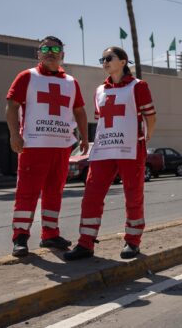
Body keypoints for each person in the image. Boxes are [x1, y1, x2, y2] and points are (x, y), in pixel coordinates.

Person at [64, 47, 156, 261]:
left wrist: (147, 136)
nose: (104, 62)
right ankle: (85, 243)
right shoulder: (99, 91)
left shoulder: (138, 86)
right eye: (102, 59)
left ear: (123, 62)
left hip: (131, 148)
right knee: (91, 195)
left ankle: (132, 242)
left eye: (109, 58)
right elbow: (102, 119)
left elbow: (151, 117)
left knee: (133, 196)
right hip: (104, 149)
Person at [5, 36, 88, 257]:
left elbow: (79, 111)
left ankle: (50, 235)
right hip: (33, 145)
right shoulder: (27, 77)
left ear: (63, 55)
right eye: (45, 48)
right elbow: (12, 107)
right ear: (38, 53)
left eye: (55, 49)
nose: (50, 52)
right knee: (27, 192)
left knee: (54, 192)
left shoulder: (71, 82)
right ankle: (20, 238)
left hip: (61, 147)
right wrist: (14, 135)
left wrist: (85, 138)